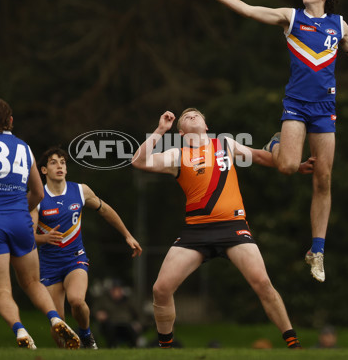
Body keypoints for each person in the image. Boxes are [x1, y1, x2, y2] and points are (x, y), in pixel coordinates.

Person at [189, 0, 348, 282]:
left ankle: (317, 250)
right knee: (288, 167)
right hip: (296, 106)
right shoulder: (291, 18)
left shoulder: (339, 25)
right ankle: (274, 144)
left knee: (323, 177)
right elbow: (251, 9)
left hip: (325, 109)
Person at [131, 109, 315, 349]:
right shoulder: (178, 154)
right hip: (196, 231)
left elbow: (260, 157)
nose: (192, 116)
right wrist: (160, 131)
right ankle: (166, 349)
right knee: (161, 289)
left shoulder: (225, 143)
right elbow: (138, 161)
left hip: (233, 226)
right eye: (187, 117)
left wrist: (295, 164)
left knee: (262, 282)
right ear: (182, 132)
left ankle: (293, 343)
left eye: (197, 114)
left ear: (206, 126)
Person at [0, 97, 79, 349]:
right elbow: (38, 193)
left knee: (2, 290)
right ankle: (55, 318)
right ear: (10, 121)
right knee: (33, 283)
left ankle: (20, 330)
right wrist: (21, 208)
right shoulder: (24, 147)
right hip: (20, 220)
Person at [31, 147, 142, 349]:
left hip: (75, 259)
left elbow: (106, 210)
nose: (60, 166)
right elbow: (28, 237)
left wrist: (127, 235)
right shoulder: (37, 197)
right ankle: (67, 352)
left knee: (76, 300)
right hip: (49, 265)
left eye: (63, 162)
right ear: (44, 170)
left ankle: (86, 335)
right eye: (54, 162)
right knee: (59, 323)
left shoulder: (80, 191)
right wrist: (44, 238)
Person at [93, 279, 144, 348]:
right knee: (109, 328)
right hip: (110, 324)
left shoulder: (129, 300)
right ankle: (112, 347)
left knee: (131, 329)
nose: (116, 292)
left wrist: (139, 323)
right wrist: (99, 314)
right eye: (114, 290)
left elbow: (139, 314)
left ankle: (134, 347)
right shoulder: (104, 300)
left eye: (118, 290)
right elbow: (95, 310)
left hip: (126, 325)